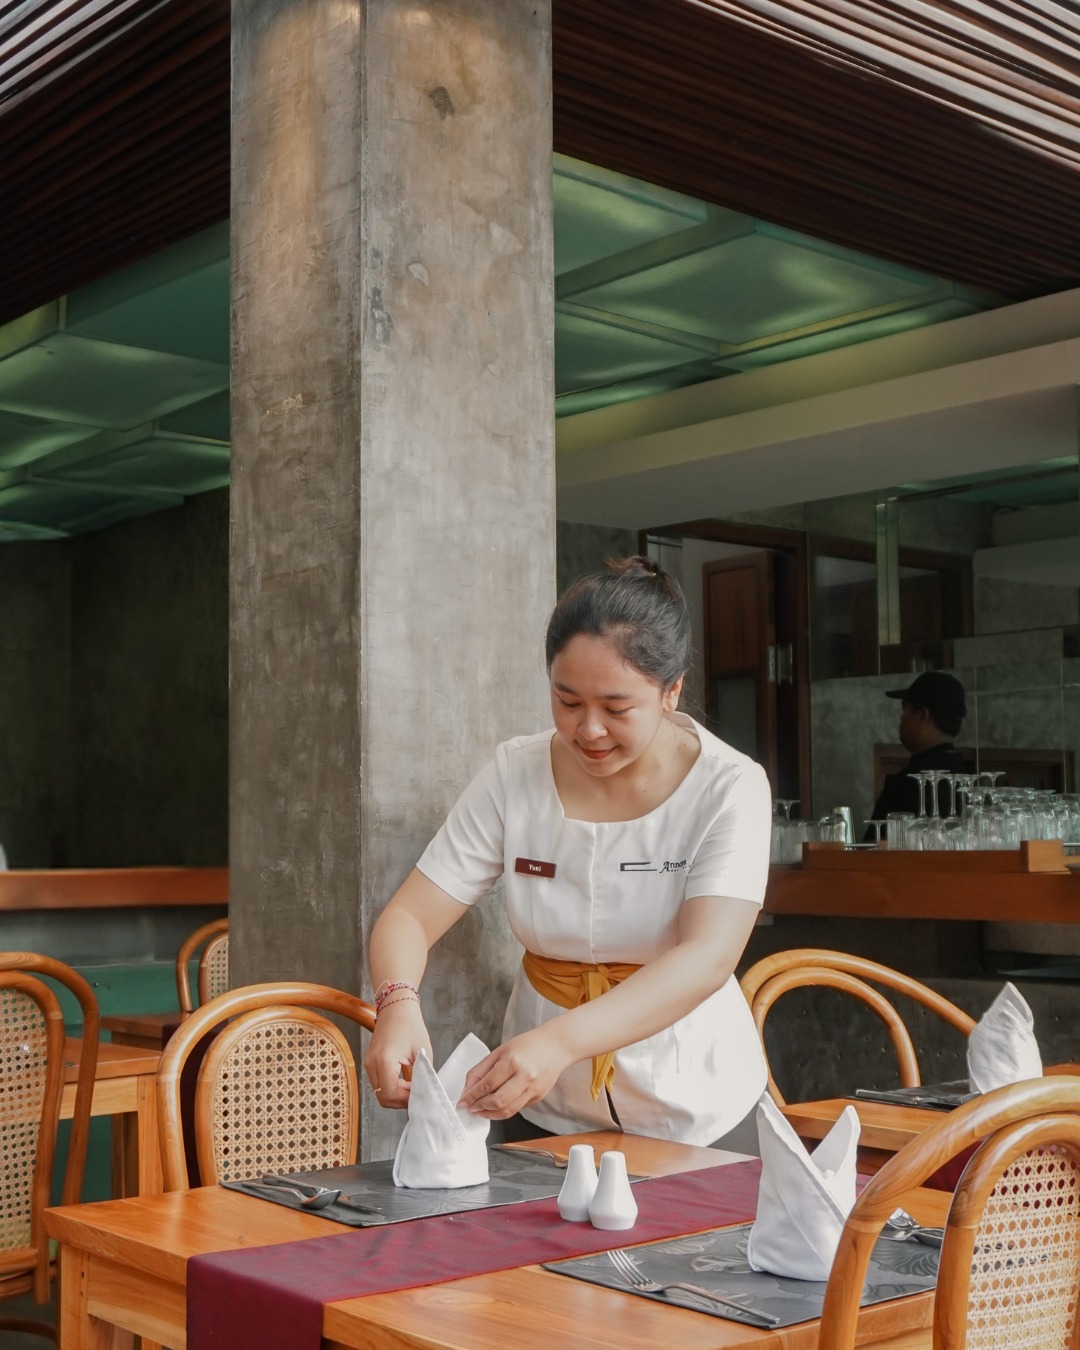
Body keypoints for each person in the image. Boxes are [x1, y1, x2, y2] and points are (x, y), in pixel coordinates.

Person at [363, 556, 773, 1149]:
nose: (589, 729)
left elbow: (707, 957)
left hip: (696, 1105)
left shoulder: (730, 786)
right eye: (568, 701)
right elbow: (409, 915)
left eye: (617, 707)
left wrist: (559, 1043)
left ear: (672, 691)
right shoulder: (517, 772)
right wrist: (396, 1003)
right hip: (543, 1104)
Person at [867, 671, 968, 828]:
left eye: (905, 709)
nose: (901, 718)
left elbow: (879, 842)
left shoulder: (909, 785)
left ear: (922, 715)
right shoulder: (965, 775)